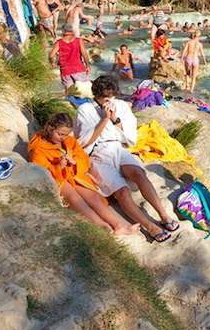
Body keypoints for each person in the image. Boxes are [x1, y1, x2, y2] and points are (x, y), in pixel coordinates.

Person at [75, 76, 179, 243]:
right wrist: (104, 119)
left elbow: (130, 139)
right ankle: (150, 227)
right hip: (98, 153)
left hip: (118, 147)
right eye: (104, 98)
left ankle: (164, 215)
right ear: (96, 95)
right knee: (122, 192)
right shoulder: (85, 110)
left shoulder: (121, 106)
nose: (109, 101)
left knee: (139, 174)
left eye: (112, 96)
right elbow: (84, 143)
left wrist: (116, 119)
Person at [27, 112, 139, 235]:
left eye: (65, 134)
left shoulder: (68, 141)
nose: (62, 138)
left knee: (93, 197)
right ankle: (101, 225)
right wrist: (58, 166)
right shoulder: (38, 148)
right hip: (57, 178)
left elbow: (83, 157)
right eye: (60, 134)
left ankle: (119, 225)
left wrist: (74, 162)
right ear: (50, 128)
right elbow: (41, 171)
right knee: (74, 197)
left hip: (72, 173)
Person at [50, 24, 91, 89]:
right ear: (72, 31)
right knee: (84, 90)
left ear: (63, 31)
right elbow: (84, 54)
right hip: (79, 69)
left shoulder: (59, 42)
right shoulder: (79, 40)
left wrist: (52, 63)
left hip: (65, 71)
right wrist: (87, 66)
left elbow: (51, 55)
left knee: (69, 93)